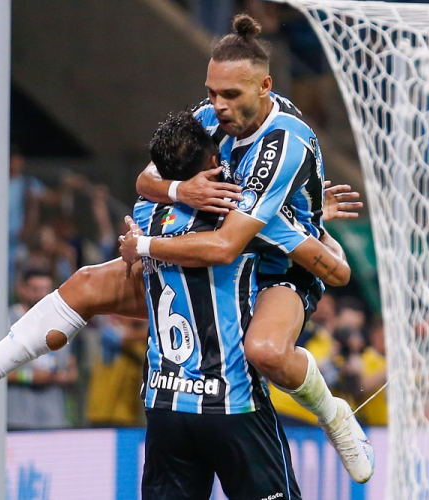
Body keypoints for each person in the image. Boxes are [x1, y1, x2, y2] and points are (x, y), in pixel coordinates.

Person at [0, 111, 353, 498]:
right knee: (268, 350)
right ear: (215, 163)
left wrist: (145, 243)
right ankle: (334, 415)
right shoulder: (239, 215)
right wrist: (308, 220)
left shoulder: (146, 212)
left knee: (84, 284)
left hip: (166, 401)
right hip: (231, 399)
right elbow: (332, 272)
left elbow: (147, 189)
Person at [126, 14, 373, 483]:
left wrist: (143, 243)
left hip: (278, 261)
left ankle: (333, 413)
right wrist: (183, 192)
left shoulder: (286, 143)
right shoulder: (208, 115)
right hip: (237, 249)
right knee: (91, 284)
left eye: (230, 95)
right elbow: (144, 179)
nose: (215, 105)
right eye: (211, 91)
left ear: (265, 86)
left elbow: (224, 244)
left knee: (263, 351)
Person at [6, 269, 78, 429]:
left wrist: (58, 377)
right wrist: (30, 377)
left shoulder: (63, 323)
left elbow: (73, 372)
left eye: (46, 290)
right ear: (21, 289)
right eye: (35, 289)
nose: (42, 295)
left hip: (54, 418)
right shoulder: (7, 320)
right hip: (17, 417)